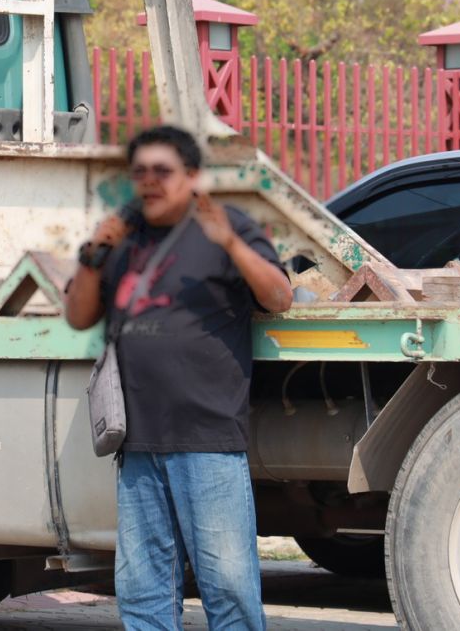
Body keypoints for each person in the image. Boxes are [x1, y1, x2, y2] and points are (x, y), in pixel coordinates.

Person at [65, 125, 292, 631]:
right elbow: (79, 316)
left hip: (207, 438)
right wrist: (93, 253)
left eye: (162, 171)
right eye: (140, 172)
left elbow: (279, 298)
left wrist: (229, 242)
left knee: (228, 586)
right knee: (142, 590)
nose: (149, 181)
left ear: (191, 176)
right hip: (137, 441)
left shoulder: (227, 228)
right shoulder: (124, 238)